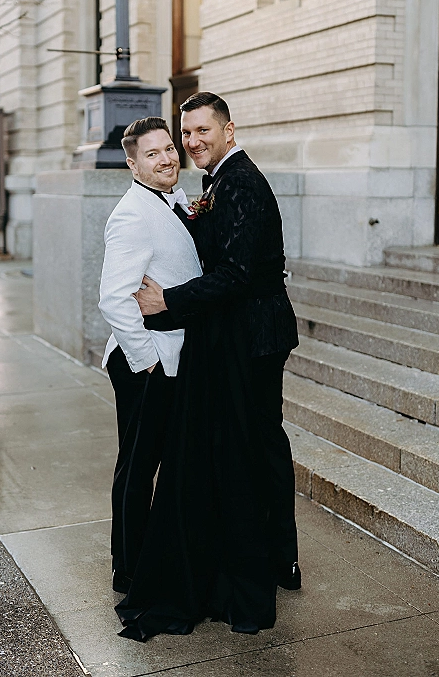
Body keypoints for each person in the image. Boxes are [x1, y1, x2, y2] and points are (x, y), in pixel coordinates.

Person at [116, 92, 300, 642]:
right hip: (236, 336)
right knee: (260, 446)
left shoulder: (240, 180)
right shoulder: (216, 181)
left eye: (200, 132)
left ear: (228, 129)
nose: (192, 143)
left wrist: (170, 300)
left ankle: (277, 560)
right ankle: (274, 558)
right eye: (185, 134)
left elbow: (240, 273)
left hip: (257, 337)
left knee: (261, 446)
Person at [98, 116, 201, 596]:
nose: (166, 158)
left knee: (152, 462)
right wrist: (147, 361)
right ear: (133, 162)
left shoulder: (174, 200)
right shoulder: (131, 214)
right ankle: (129, 567)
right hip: (146, 361)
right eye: (153, 153)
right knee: (138, 468)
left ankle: (142, 556)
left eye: (168, 149)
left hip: (170, 355)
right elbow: (114, 298)